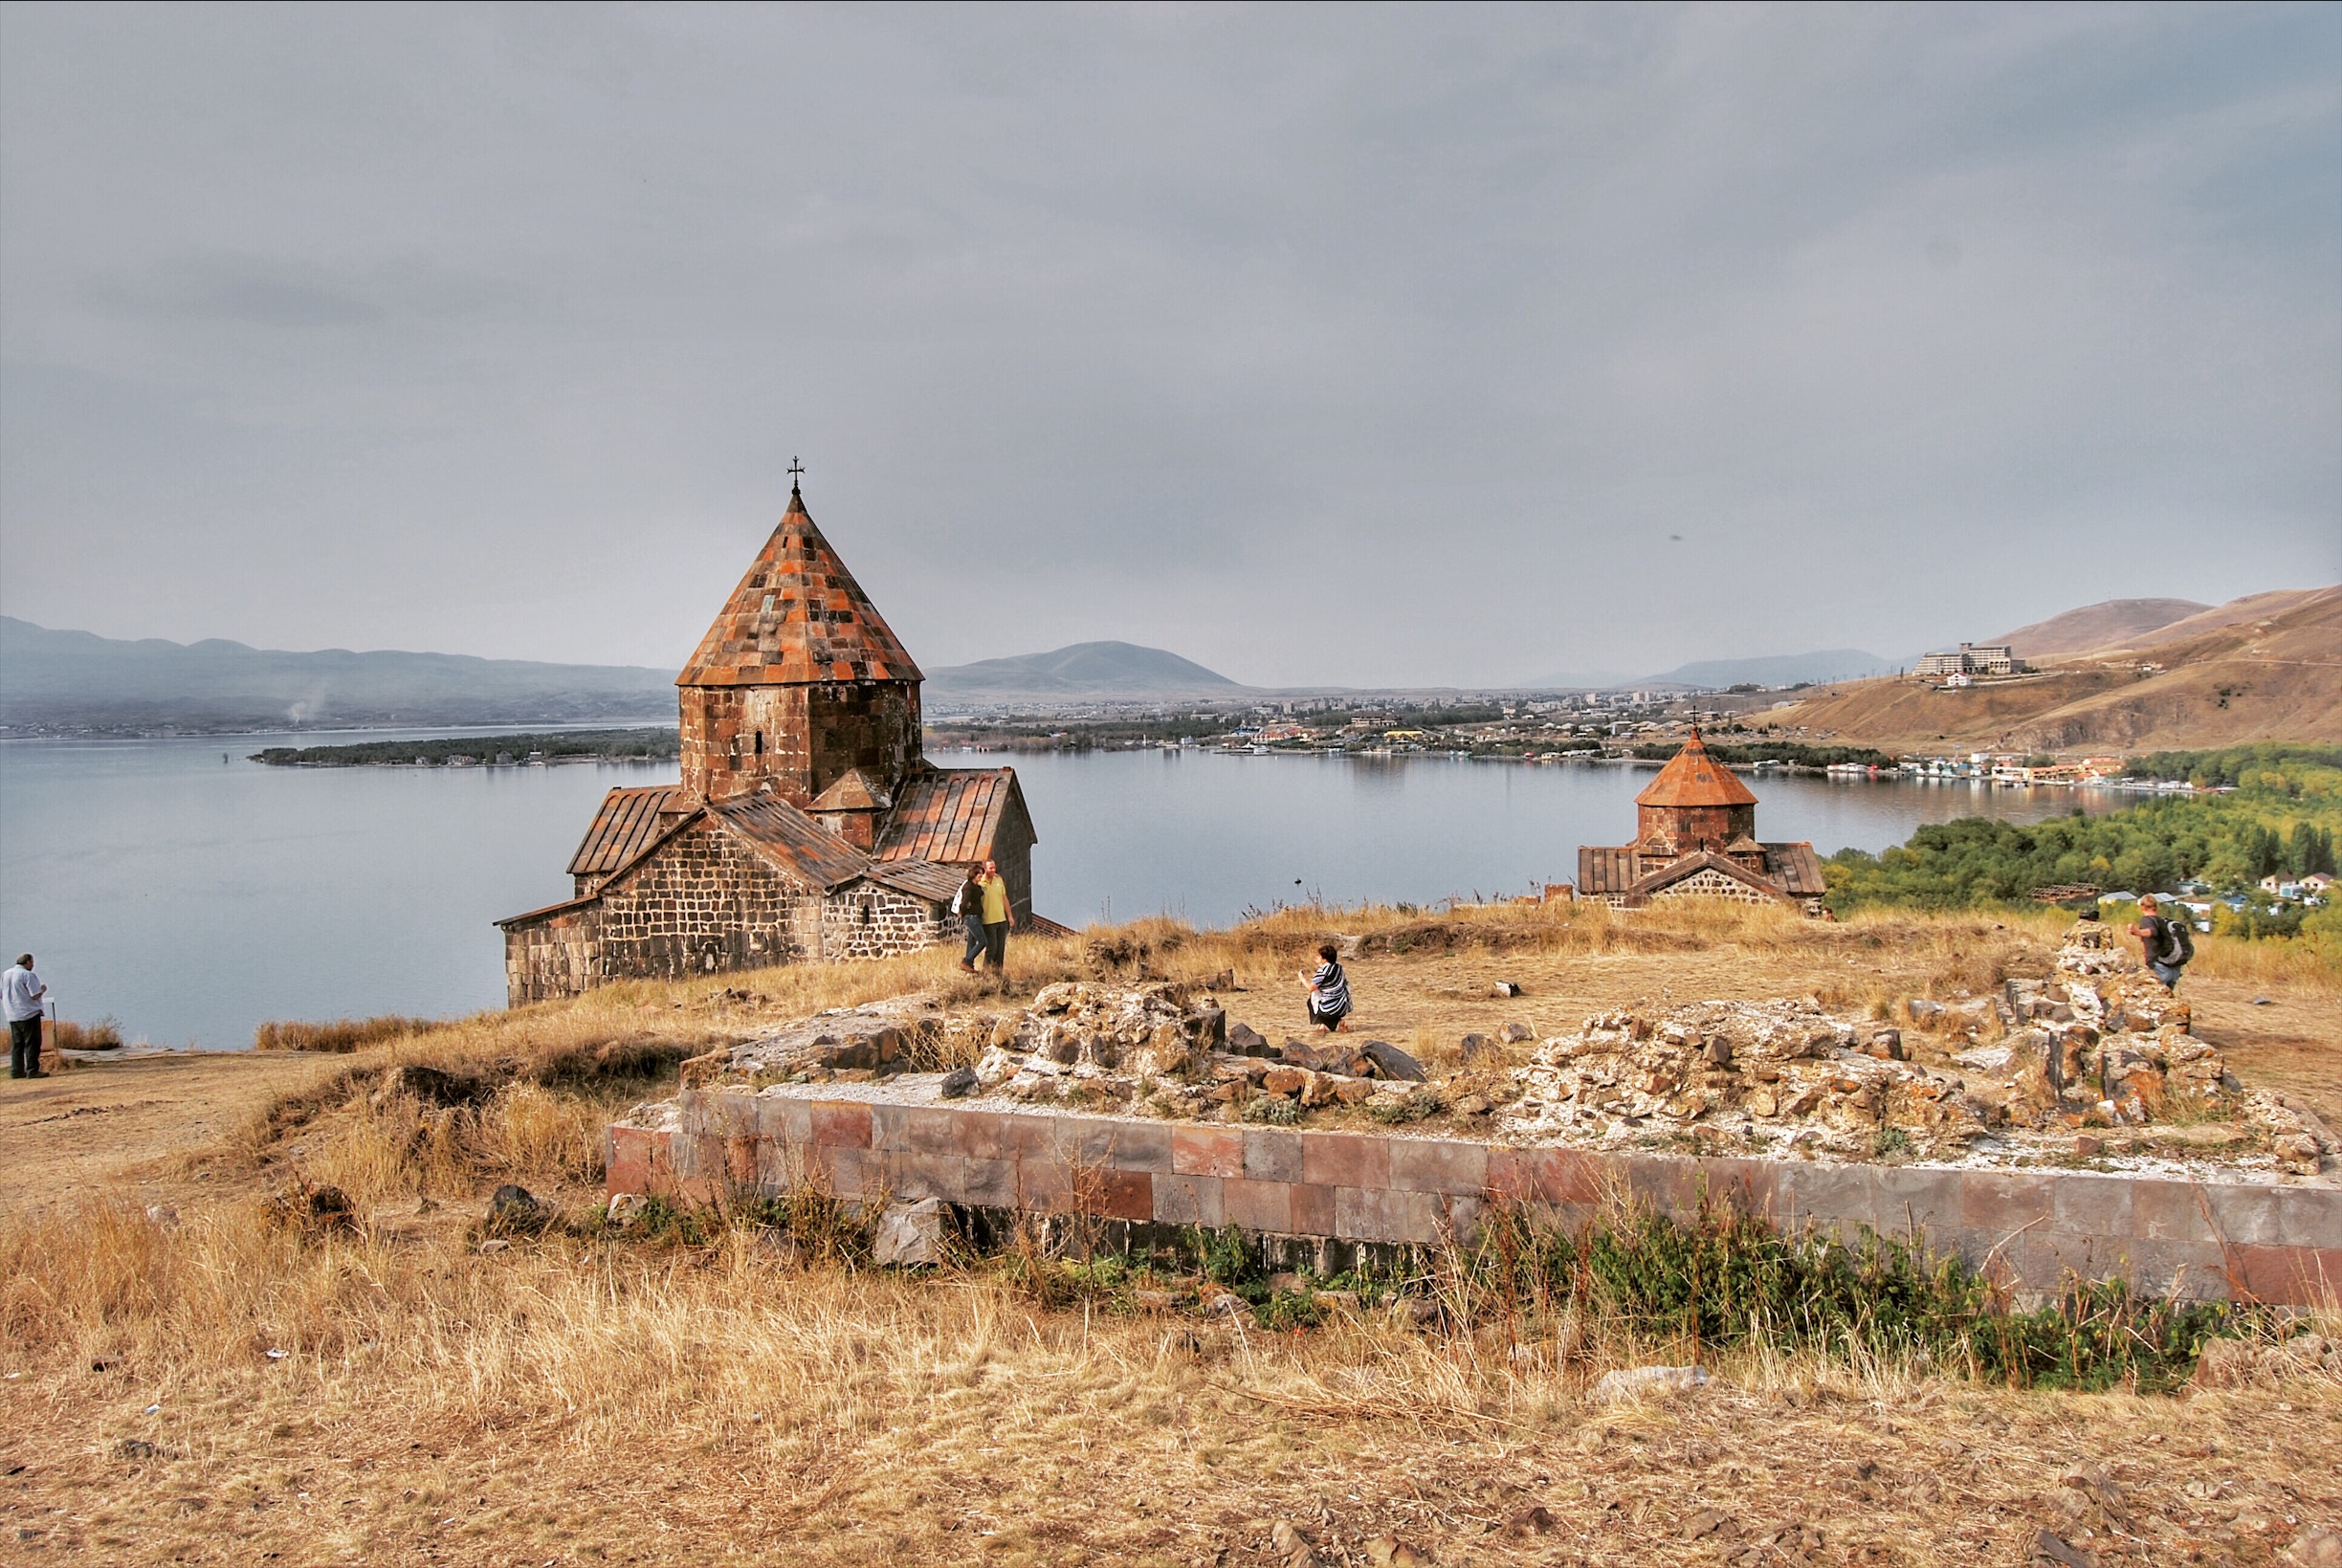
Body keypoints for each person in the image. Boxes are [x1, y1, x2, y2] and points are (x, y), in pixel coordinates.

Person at [2131, 894, 2191, 990]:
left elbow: (2152, 932)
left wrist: (2137, 932)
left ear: (2142, 907)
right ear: (2156, 906)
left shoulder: (2147, 920)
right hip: (2173, 966)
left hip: (2158, 966)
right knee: (2168, 999)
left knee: (2155, 997)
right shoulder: (2162, 921)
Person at [5, 955, 48, 1079]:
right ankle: (32, 1070)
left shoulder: (6, 974)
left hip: (12, 1014)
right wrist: (43, 989)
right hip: (28, 1013)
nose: (33, 965)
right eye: (32, 962)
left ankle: (16, 1071)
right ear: (28, 962)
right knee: (32, 1043)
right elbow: (35, 995)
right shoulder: (27, 975)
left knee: (18, 1044)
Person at [1298, 942, 1352, 1032]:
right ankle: (1339, 1021)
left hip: (1329, 1008)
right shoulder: (1338, 968)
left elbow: (1311, 988)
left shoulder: (1323, 971)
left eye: (1319, 956)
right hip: (1343, 1006)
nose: (1317, 958)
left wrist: (1302, 979)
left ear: (1324, 959)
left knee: (1312, 1001)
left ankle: (1322, 1025)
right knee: (1329, 1002)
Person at [976, 858, 1014, 972]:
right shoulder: (980, 883)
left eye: (994, 867)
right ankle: (987, 972)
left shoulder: (999, 880)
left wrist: (1010, 916)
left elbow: (1004, 898)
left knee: (1000, 949)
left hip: (1001, 920)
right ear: (985, 869)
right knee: (992, 948)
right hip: (988, 921)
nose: (993, 870)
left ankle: (998, 973)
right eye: (990, 868)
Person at [952, 868, 987, 972]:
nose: (981, 876)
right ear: (974, 875)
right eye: (979, 875)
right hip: (971, 917)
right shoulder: (968, 887)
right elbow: (964, 902)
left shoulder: (975, 886)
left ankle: (969, 965)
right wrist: (962, 913)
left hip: (975, 916)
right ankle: (967, 961)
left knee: (972, 941)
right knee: (982, 941)